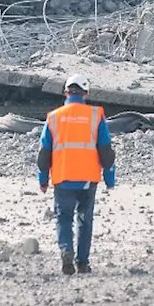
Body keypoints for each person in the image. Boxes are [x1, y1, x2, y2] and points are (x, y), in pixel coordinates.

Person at [37, 73, 116, 275]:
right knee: (85, 219)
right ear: (86, 93)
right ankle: (82, 262)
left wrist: (43, 180)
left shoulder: (54, 117)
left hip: (63, 177)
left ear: (66, 92)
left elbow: (44, 153)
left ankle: (66, 250)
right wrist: (109, 179)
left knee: (63, 218)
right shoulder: (96, 116)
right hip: (88, 177)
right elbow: (106, 151)